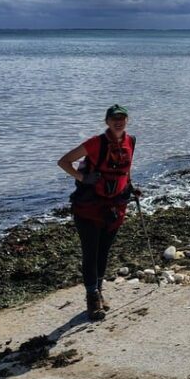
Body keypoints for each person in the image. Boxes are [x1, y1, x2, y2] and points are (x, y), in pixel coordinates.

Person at [57, 104, 137, 320]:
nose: (118, 121)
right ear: (107, 121)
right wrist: (83, 178)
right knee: (90, 252)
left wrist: (130, 188)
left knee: (103, 252)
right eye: (114, 118)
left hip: (115, 207)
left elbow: (125, 170)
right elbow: (64, 161)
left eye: (122, 118)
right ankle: (92, 299)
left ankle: (99, 292)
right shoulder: (95, 143)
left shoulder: (131, 141)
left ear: (127, 120)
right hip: (89, 208)